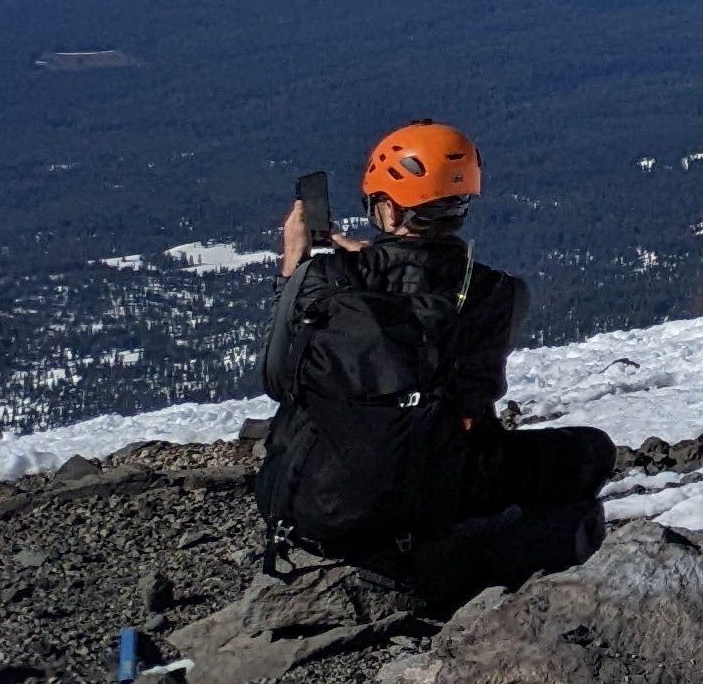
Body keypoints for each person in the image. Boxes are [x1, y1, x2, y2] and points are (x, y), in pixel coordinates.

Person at [257, 121, 616, 613]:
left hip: (324, 508)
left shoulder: (325, 280)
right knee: (591, 451)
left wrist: (294, 268)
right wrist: (391, 265)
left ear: (387, 208)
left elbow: (278, 377)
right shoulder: (501, 294)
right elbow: (436, 323)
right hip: (442, 494)